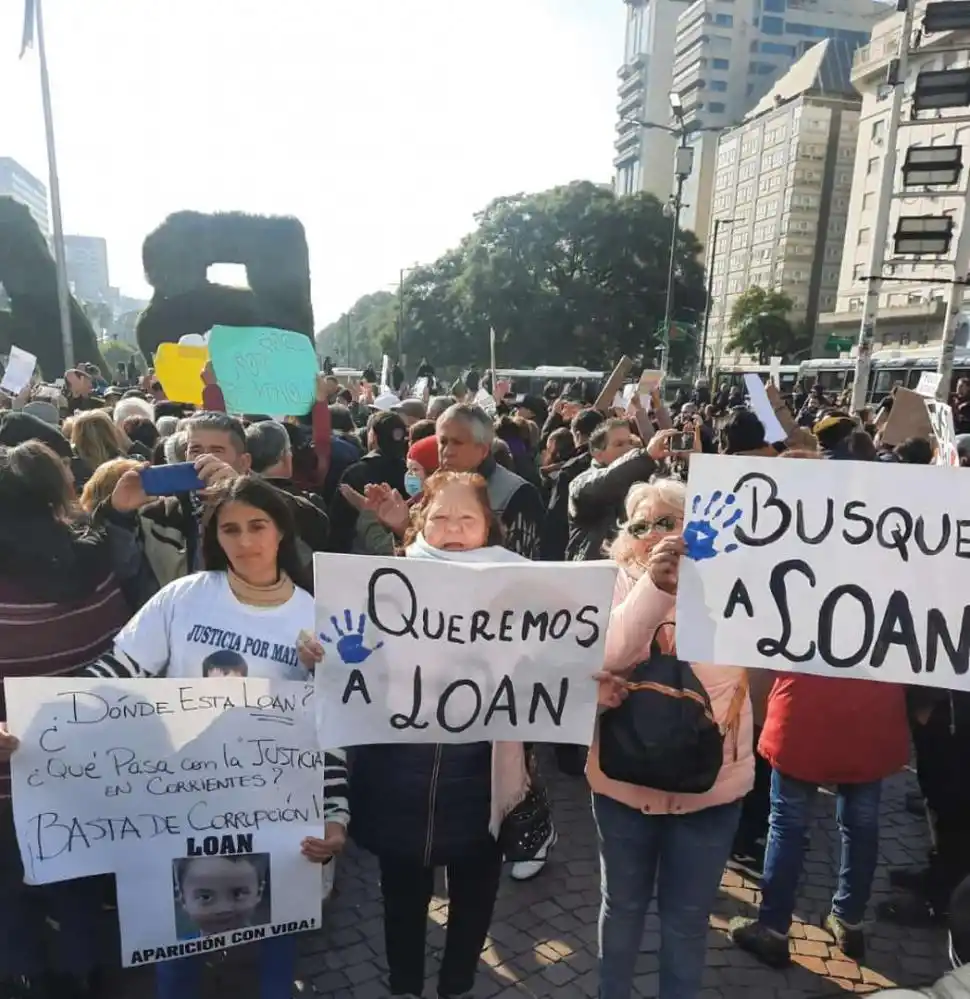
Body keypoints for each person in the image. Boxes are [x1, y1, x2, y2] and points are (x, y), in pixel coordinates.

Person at [12, 475, 350, 999]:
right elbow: (119, 669)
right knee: (177, 941)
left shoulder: (315, 619)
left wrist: (336, 813)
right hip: (180, 800)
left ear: (281, 530)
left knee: (279, 944)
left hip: (277, 808)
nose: (244, 541)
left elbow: (331, 729)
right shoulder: (186, 597)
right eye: (230, 529)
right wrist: (37, 719)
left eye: (257, 525)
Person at [337, 471, 533, 999]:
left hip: (483, 779)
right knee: (401, 898)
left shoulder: (525, 587)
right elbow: (355, 652)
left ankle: (456, 986)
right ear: (422, 521)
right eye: (441, 517)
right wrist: (328, 654)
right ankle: (404, 988)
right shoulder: (385, 582)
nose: (453, 530)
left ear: (487, 526)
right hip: (399, 777)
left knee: (474, 900)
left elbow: (553, 660)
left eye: (466, 519)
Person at [589, 478, 752, 999]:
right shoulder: (611, 582)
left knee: (686, 921)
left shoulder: (738, 582)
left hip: (710, 789)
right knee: (622, 908)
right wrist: (654, 589)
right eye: (640, 526)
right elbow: (607, 652)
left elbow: (733, 677)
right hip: (623, 787)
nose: (653, 535)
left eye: (667, 522)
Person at [0, 440, 141, 999]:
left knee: (9, 895)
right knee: (78, 884)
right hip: (84, 770)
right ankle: (86, 972)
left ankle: (24, 976)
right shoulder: (97, 564)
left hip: (7, 778)